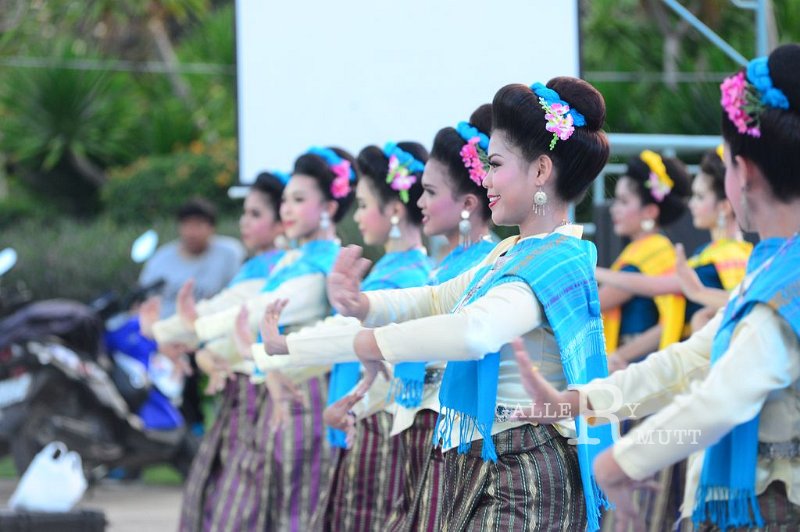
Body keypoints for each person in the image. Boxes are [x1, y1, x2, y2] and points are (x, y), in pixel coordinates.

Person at [257, 78, 615, 531]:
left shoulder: (555, 261)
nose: (486, 179)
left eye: (496, 164)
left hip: (525, 473)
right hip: (489, 461)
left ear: (541, 170)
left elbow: (473, 332)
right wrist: (358, 307)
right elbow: (434, 299)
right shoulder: (511, 254)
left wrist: (366, 340)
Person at [513, 43, 800, 532]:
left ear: (744, 173)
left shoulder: (785, 277)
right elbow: (689, 360)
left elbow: (724, 395)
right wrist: (580, 400)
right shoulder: (772, 267)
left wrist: (619, 462)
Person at [177, 147, 356, 531]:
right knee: (255, 505)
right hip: (275, 383)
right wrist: (205, 342)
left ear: (328, 207)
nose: (287, 209)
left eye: (298, 200)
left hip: (305, 393)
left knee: (292, 504)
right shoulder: (293, 259)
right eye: (286, 200)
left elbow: (265, 310)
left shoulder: (325, 263)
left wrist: (200, 327)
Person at [157, 171, 286, 532]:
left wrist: (168, 332)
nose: (245, 221)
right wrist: (200, 348)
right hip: (243, 392)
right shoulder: (257, 265)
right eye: (245, 213)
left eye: (255, 214)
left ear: (282, 220)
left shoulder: (278, 268)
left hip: (265, 394)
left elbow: (232, 315)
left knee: (244, 502)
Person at [595, 148, 752, 335]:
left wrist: (591, 269)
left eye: (700, 197)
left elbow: (657, 285)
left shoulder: (727, 256)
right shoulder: (709, 253)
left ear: (724, 207)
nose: (691, 204)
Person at [139, 197, 245, 431]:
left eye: (199, 225)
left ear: (211, 228)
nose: (192, 232)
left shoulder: (228, 254)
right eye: (187, 225)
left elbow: (237, 296)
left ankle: (204, 424)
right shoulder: (162, 260)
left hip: (209, 334)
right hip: (166, 336)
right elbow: (144, 300)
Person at [599, 152, 691, 373]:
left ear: (650, 211)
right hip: (636, 363)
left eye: (623, 201)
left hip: (637, 366)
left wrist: (620, 355)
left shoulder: (651, 252)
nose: (614, 208)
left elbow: (593, 303)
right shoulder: (649, 250)